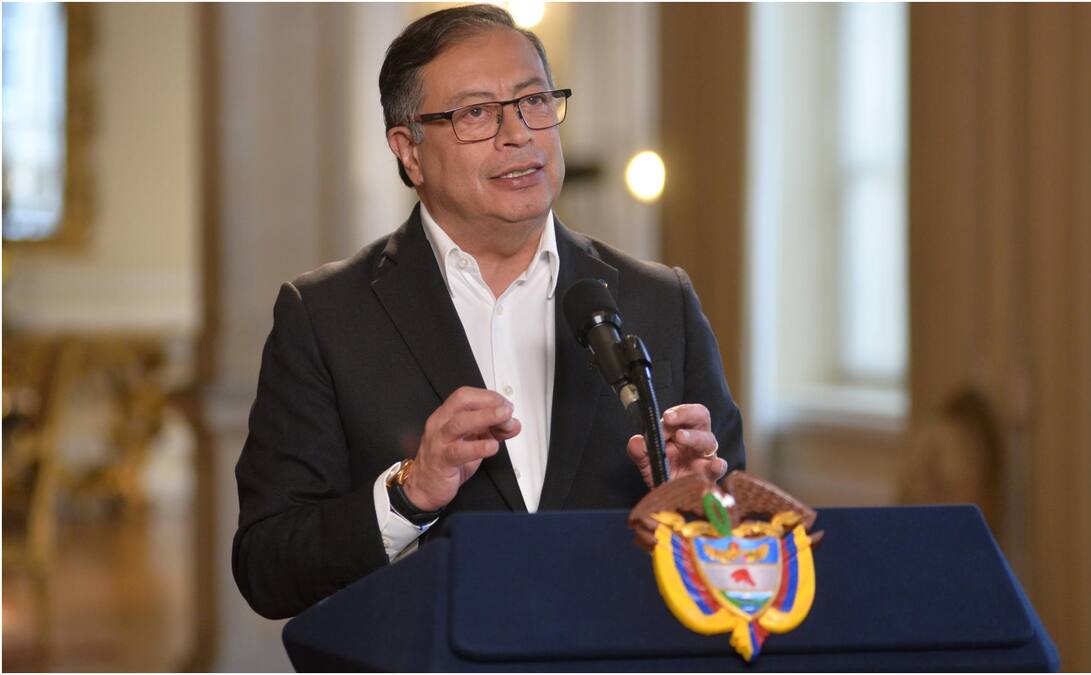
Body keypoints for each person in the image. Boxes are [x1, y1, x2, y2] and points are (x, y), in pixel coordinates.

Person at [232, 3, 744, 620]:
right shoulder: (325, 316)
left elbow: (741, 554)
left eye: (534, 101)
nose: (518, 133)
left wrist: (696, 502)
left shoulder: (660, 302)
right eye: (476, 113)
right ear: (409, 150)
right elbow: (268, 568)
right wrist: (411, 493)